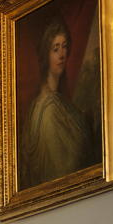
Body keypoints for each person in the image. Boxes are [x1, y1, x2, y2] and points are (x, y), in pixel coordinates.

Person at [19, 17, 99, 188]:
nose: (62, 55)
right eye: (55, 49)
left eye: (64, 47)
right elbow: (63, 169)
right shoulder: (48, 108)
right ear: (45, 54)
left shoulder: (57, 100)